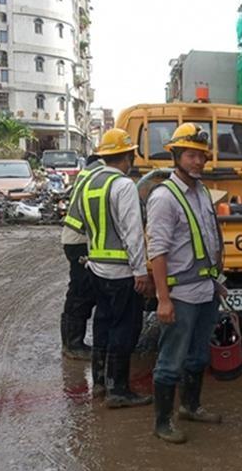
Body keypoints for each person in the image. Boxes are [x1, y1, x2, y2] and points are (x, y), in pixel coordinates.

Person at [146, 123, 226, 444]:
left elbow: (210, 236)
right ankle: (162, 422)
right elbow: (157, 251)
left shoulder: (203, 191)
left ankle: (190, 407)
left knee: (198, 357)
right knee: (170, 361)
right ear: (176, 156)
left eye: (202, 156)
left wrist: (218, 277)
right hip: (179, 294)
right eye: (191, 155)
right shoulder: (165, 198)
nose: (198, 162)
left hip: (206, 290)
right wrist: (163, 299)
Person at [69, 128, 154, 408]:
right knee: (125, 329)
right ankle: (119, 391)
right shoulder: (123, 185)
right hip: (122, 272)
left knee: (103, 325)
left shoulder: (90, 182)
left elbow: (80, 220)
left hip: (97, 267)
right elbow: (133, 232)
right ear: (128, 156)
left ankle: (101, 384)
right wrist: (141, 271)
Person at [58, 154, 106, 361]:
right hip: (80, 240)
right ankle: (72, 344)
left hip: (77, 238)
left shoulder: (90, 170)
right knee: (81, 291)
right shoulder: (99, 174)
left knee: (81, 290)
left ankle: (72, 342)